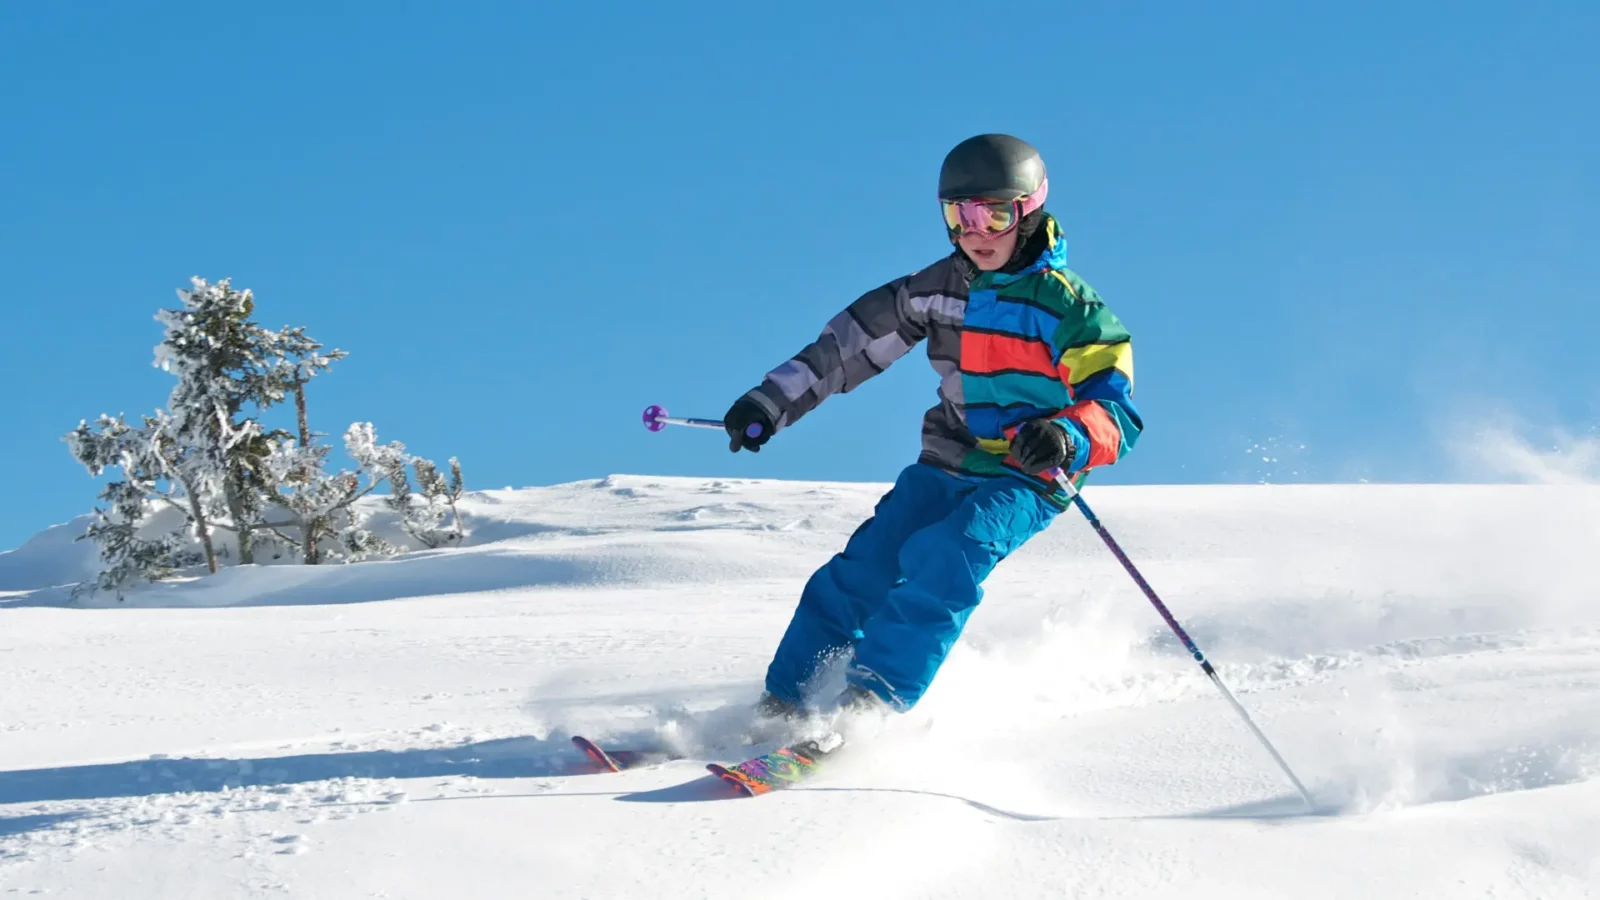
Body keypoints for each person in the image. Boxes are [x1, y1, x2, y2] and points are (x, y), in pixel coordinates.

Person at [723, 134, 1142, 720]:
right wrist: (771, 402)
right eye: (959, 216)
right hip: (948, 458)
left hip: (1028, 473)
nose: (976, 232)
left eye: (995, 215)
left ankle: (869, 705)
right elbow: (849, 346)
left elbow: (1116, 409)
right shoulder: (938, 289)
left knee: (948, 555)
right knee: (865, 565)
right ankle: (784, 702)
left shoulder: (1068, 306)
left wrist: (1066, 436)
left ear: (1028, 212)